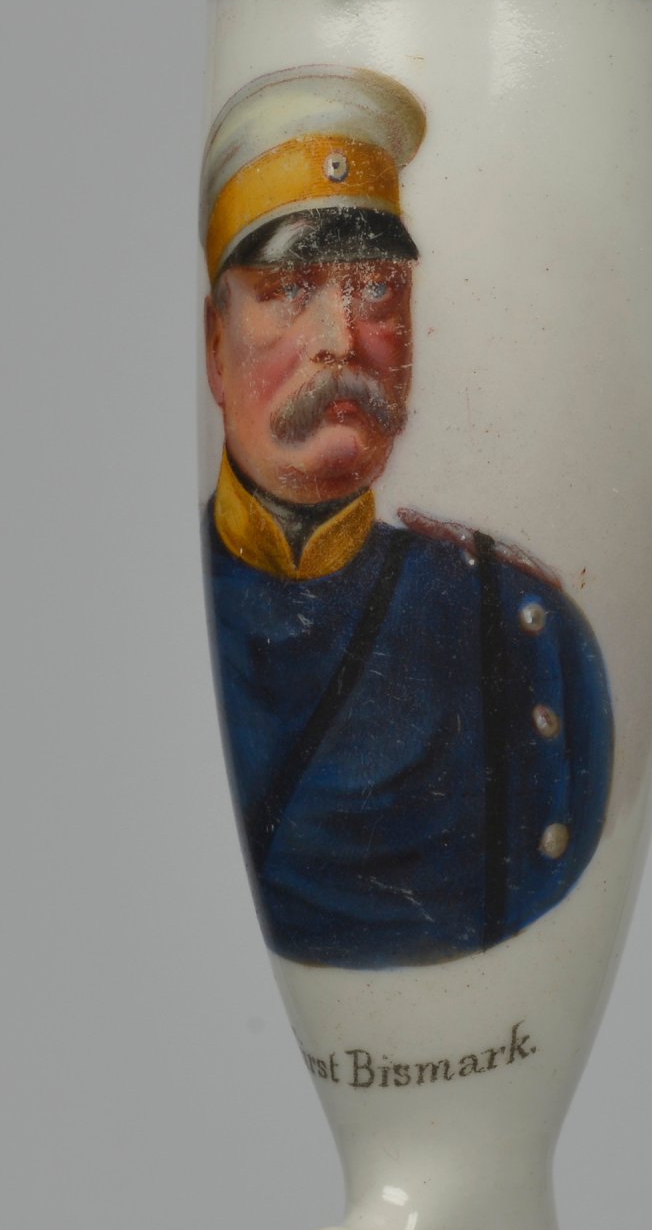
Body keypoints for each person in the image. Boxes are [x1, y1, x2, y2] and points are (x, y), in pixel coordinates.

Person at [200, 65, 614, 967]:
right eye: (289, 289)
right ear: (214, 343)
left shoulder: (516, 630)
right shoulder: (167, 621)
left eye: (377, 290)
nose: (340, 340)